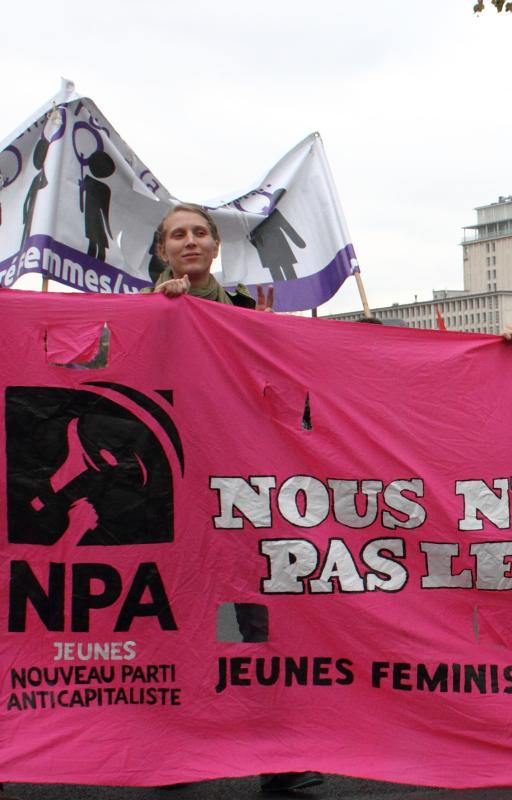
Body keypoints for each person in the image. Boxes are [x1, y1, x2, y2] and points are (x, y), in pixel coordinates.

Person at [146, 204, 320, 795]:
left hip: (240, 493)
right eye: (177, 234)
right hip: (166, 498)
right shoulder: (137, 313)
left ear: (216, 245)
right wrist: (158, 317)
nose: (189, 241)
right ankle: (171, 748)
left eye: (199, 232)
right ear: (163, 249)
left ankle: (279, 752)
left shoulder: (251, 314)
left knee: (259, 622)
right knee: (172, 624)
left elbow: (294, 396)